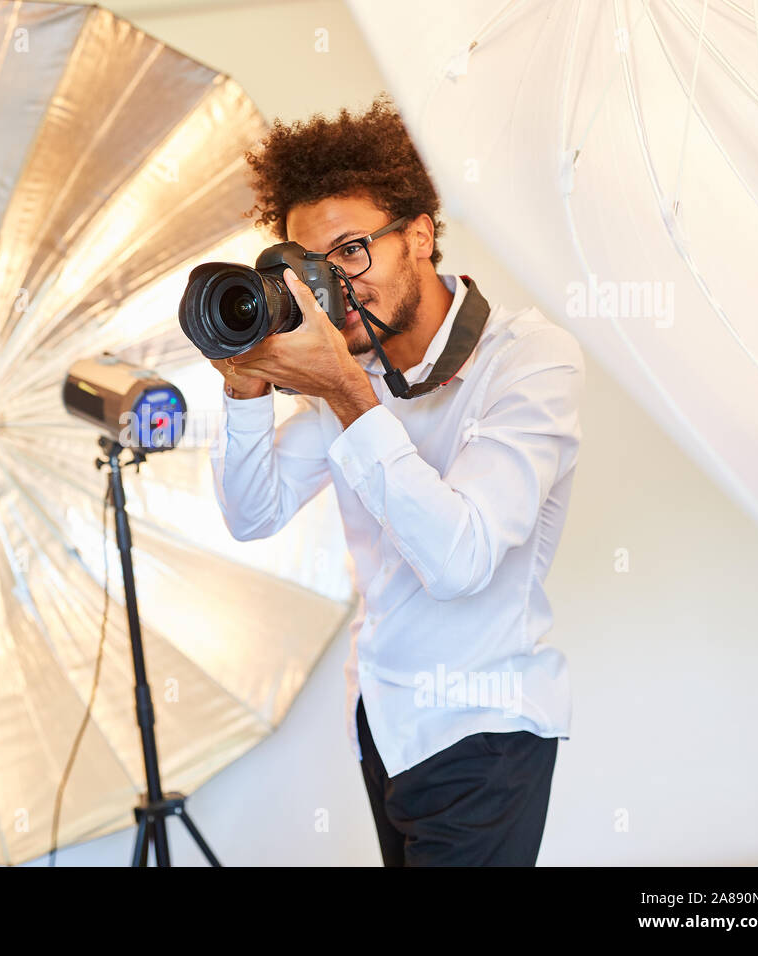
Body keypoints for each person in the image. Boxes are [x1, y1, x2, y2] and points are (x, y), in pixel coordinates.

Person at [210, 94, 585, 866]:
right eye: (312, 265)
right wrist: (245, 387)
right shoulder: (355, 372)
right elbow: (252, 514)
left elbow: (460, 561)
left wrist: (344, 392)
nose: (335, 285)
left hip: (485, 729)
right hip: (382, 726)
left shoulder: (530, 360)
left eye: (351, 251)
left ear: (419, 235)